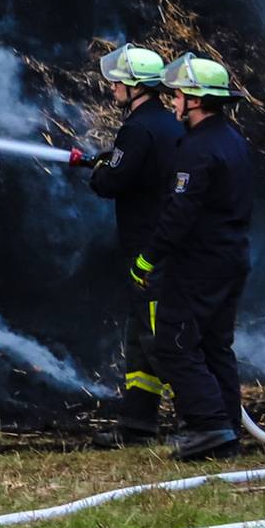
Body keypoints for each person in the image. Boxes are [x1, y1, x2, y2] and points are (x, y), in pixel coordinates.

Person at [133, 54, 255, 462]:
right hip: (230, 258)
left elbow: (179, 213)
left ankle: (208, 427)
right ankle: (226, 432)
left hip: (198, 264)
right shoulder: (232, 140)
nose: (174, 102)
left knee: (175, 344)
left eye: (180, 94)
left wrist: (147, 259)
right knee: (216, 344)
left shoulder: (199, 148)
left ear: (197, 101)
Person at [70, 45, 183, 446]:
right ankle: (138, 426)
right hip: (160, 247)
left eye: (119, 80)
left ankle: (202, 426)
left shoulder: (136, 128)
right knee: (140, 338)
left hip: (149, 251)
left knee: (160, 339)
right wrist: (105, 161)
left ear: (136, 87)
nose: (113, 86)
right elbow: (140, 171)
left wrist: (100, 173)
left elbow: (113, 182)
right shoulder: (168, 124)